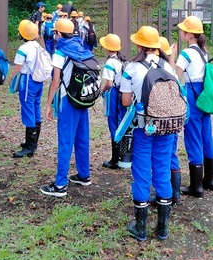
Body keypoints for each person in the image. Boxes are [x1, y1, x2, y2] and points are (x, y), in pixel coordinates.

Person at [120, 26, 178, 241]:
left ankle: (141, 228)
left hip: (144, 128)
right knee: (162, 171)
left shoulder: (133, 68)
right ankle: (162, 228)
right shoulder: (168, 67)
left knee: (142, 173)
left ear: (139, 45)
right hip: (167, 127)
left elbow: (126, 101)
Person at [40, 18, 96, 197]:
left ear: (57, 34)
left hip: (67, 100)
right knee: (82, 138)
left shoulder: (60, 53)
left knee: (65, 142)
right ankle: (84, 175)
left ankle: (60, 185)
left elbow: (55, 82)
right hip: (82, 98)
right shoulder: (81, 48)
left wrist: (48, 105)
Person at [174, 16, 213, 198]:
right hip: (205, 94)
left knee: (192, 137)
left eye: (183, 30)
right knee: (206, 136)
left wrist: (169, 57)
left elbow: (174, 75)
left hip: (192, 94)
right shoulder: (203, 51)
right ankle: (210, 180)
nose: (181, 32)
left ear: (189, 34)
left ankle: (196, 186)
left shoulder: (186, 54)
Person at [12, 20, 46, 158]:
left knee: (28, 110)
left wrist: (12, 80)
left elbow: (18, 67)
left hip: (27, 81)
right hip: (38, 81)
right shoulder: (38, 46)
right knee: (36, 108)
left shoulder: (23, 49)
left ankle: (30, 147)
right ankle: (33, 142)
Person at [99, 33, 127, 170]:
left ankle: (114, 160)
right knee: (121, 123)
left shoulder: (110, 63)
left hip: (114, 94)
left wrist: (102, 91)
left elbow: (109, 83)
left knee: (113, 125)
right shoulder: (121, 60)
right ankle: (121, 157)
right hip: (123, 93)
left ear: (106, 47)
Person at [160, 36, 182, 205]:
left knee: (163, 156)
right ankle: (176, 194)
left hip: (162, 119)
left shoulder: (156, 69)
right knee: (172, 153)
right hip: (175, 118)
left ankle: (169, 193)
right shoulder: (170, 68)